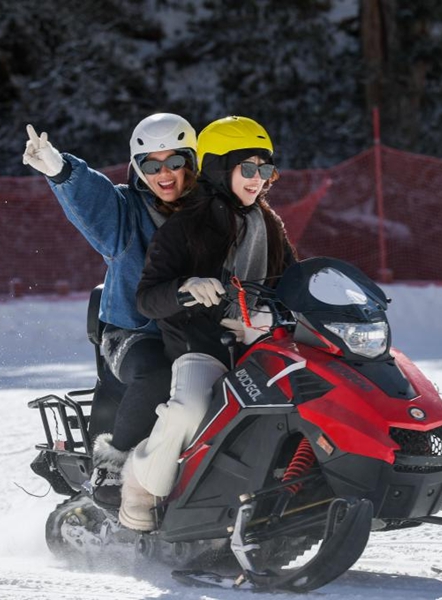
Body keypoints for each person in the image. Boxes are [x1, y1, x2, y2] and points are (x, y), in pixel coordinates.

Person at [126, 116, 296, 531]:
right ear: (221, 168)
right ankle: (138, 488)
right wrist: (187, 286)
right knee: (190, 411)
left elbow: (294, 277)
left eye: (266, 169)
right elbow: (148, 298)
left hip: (257, 340)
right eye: (248, 169)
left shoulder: (267, 223)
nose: (259, 180)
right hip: (198, 340)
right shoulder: (186, 225)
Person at [22, 114, 198, 508]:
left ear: (192, 162)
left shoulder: (206, 212)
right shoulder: (127, 213)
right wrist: (60, 168)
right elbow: (93, 199)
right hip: (133, 334)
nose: (164, 174)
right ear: (138, 168)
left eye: (174, 162)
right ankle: (112, 465)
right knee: (159, 373)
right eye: (151, 165)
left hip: (193, 332)